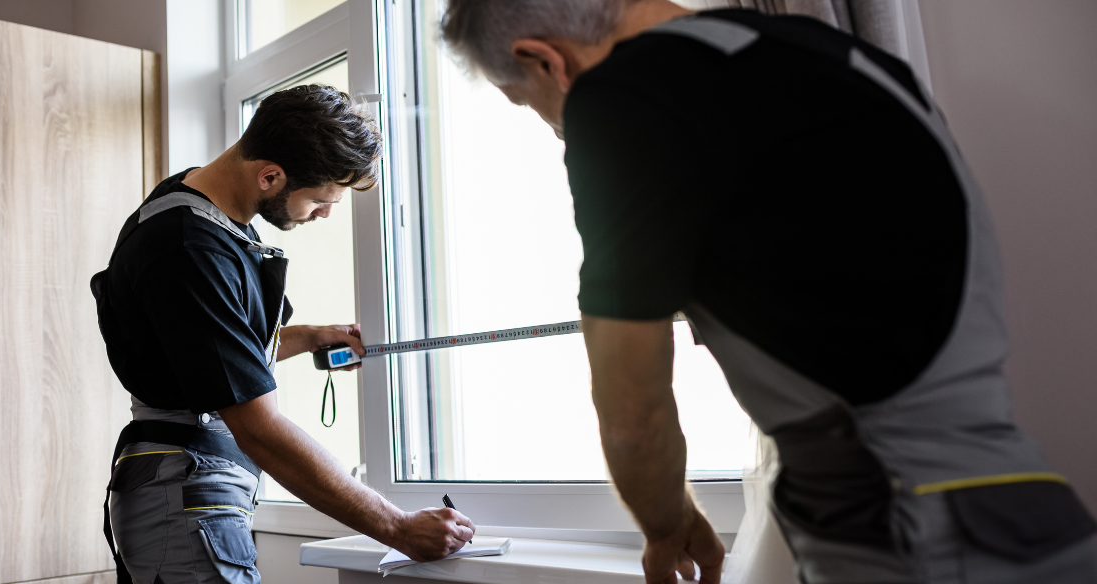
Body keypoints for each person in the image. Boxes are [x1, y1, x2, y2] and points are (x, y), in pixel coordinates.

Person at [439, 1, 1097, 583]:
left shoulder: (622, 97)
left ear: (543, 60)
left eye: (528, 103)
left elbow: (632, 413)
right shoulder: (841, 57)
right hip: (1028, 515)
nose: (554, 128)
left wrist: (665, 525)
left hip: (900, 532)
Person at [91, 84, 475, 584]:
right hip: (180, 490)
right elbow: (260, 430)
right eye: (320, 199)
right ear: (270, 176)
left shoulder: (203, 206)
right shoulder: (189, 248)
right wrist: (399, 528)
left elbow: (214, 353)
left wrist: (311, 337)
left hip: (189, 485)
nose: (325, 213)